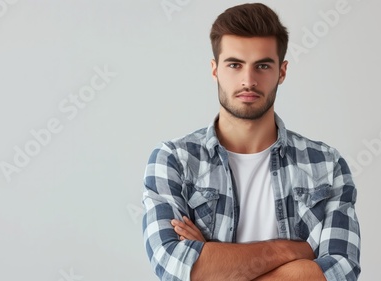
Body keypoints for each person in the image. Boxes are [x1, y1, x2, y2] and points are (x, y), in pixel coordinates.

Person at [142, 3, 361, 281]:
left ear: (281, 72)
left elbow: (341, 271)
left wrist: (213, 257)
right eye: (234, 64)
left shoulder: (326, 165)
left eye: (263, 65)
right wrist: (296, 252)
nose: (248, 80)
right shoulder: (174, 160)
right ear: (215, 70)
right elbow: (173, 266)